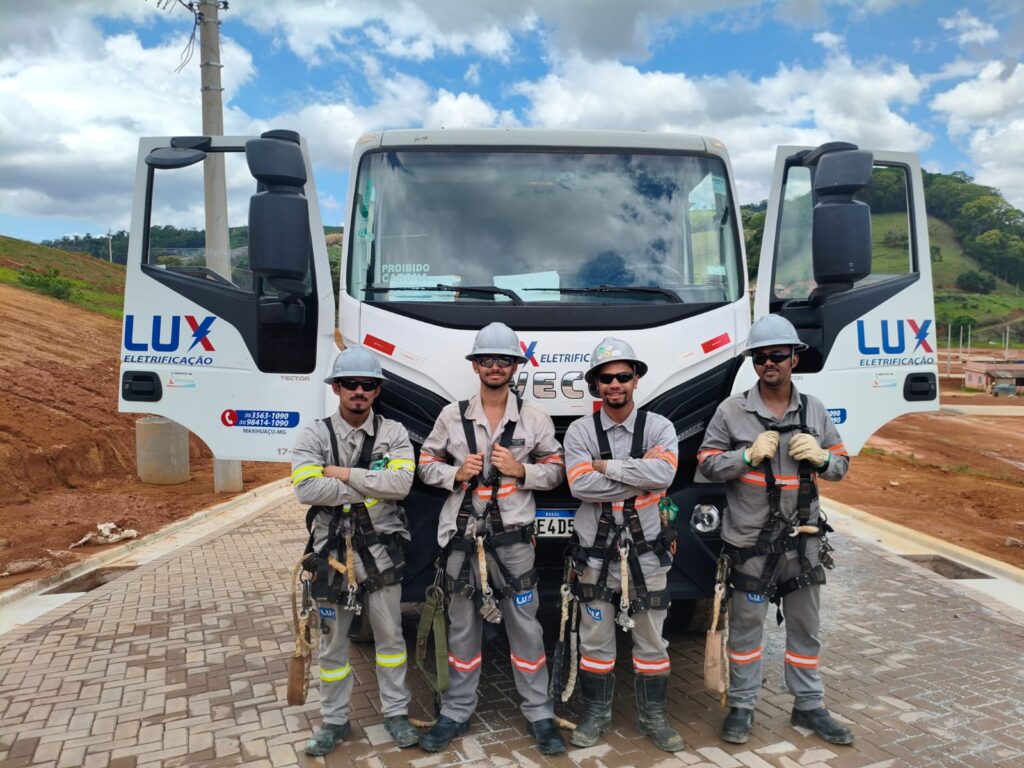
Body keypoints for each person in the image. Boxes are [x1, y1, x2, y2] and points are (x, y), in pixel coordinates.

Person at [697, 314, 853, 746]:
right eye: (760, 356)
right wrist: (745, 457)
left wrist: (823, 458)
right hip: (750, 542)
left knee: (805, 627)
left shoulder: (814, 410)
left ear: (793, 358)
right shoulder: (732, 411)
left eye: (778, 355)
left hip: (803, 541)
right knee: (746, 629)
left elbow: (841, 466)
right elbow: (707, 464)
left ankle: (809, 705)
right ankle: (742, 706)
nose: (769, 363)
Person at [416, 322, 567, 755]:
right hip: (462, 540)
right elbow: (424, 463)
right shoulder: (452, 416)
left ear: (515, 366)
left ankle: (539, 714)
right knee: (462, 629)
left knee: (526, 628)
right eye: (487, 359)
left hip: (514, 542)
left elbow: (557, 470)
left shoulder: (534, 418)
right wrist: (453, 473)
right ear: (476, 365)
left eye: (503, 360)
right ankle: (456, 711)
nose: (495, 366)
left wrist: (522, 470)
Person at [290, 346, 420, 756]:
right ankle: (334, 721)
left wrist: (342, 474)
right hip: (331, 555)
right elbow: (306, 488)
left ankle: (396, 714)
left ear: (377, 390)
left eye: (367, 385)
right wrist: (369, 484)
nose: (358, 391)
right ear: (337, 388)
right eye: (350, 384)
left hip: (381, 553)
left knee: (390, 639)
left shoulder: (393, 434)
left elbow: (401, 485)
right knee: (333, 645)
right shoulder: (315, 434)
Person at [562, 337, 684, 753]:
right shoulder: (580, 431)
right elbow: (580, 484)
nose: (615, 384)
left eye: (623, 376)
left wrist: (608, 467)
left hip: (646, 552)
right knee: (595, 639)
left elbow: (665, 476)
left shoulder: (659, 427)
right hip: (595, 556)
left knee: (652, 640)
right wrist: (640, 474)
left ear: (635, 379)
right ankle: (596, 715)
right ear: (596, 384)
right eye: (606, 378)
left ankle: (654, 717)